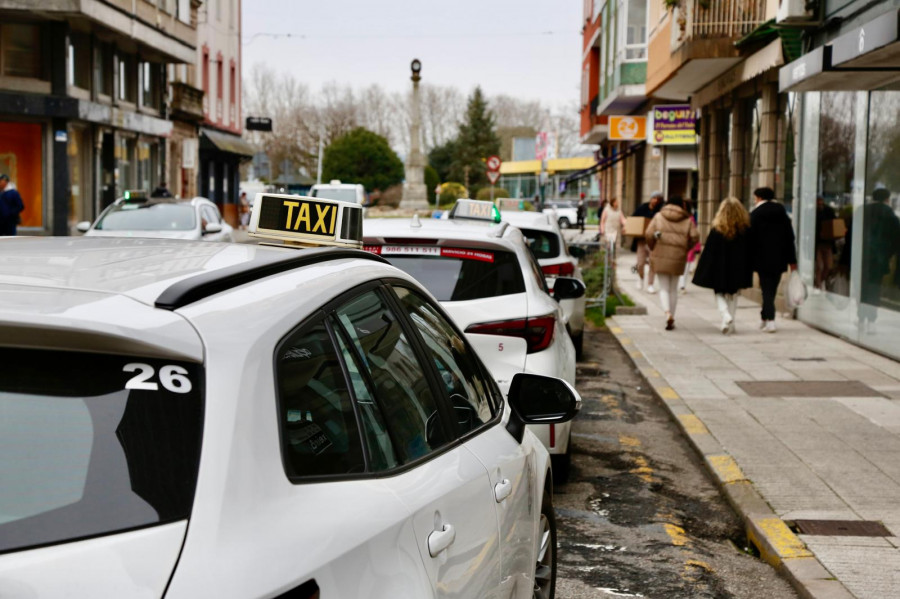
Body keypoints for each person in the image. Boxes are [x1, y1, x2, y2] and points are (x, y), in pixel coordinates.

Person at [692, 197, 753, 334]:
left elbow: (709, 250)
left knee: (719, 291)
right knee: (733, 293)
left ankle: (725, 315)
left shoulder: (717, 229)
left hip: (720, 267)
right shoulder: (745, 229)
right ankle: (731, 324)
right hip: (738, 266)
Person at [645, 195, 699, 331]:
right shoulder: (686, 219)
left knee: (663, 288)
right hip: (679, 256)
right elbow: (695, 236)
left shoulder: (658, 216)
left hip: (660, 253)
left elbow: (648, 233)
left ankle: (667, 313)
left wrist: (653, 246)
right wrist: (686, 247)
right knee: (673, 289)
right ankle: (672, 317)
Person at [749, 187, 797, 333]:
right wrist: (792, 261)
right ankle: (764, 318)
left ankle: (770, 320)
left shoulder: (755, 214)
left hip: (761, 258)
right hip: (779, 258)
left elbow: (750, 239)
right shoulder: (782, 213)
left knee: (766, 290)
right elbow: (790, 238)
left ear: (758, 198)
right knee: (771, 289)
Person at [858, 187, 900, 333]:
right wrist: (888, 253)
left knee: (862, 288)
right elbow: (896, 237)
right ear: (887, 199)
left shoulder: (861, 211)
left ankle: (861, 318)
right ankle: (871, 319)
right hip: (879, 258)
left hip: (862, 256)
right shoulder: (889, 214)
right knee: (874, 288)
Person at [631, 191, 663, 293]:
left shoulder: (660, 211)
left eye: (658, 199)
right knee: (640, 263)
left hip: (653, 242)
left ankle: (650, 284)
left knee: (652, 263)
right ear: (651, 198)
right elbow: (633, 219)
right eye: (654, 198)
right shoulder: (642, 208)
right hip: (641, 240)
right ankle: (640, 279)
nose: (656, 200)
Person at [679, 199, 702, 292]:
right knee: (682, 266)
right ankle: (681, 285)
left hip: (687, 245)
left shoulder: (690, 218)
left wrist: (696, 246)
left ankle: (682, 285)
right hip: (679, 244)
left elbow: (694, 233)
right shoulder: (681, 217)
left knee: (686, 267)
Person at [814, 196, 837, 290]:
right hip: (818, 243)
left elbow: (834, 223)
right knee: (820, 266)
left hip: (827, 242)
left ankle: (819, 282)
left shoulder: (828, 211)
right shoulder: (813, 211)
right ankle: (818, 285)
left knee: (828, 266)